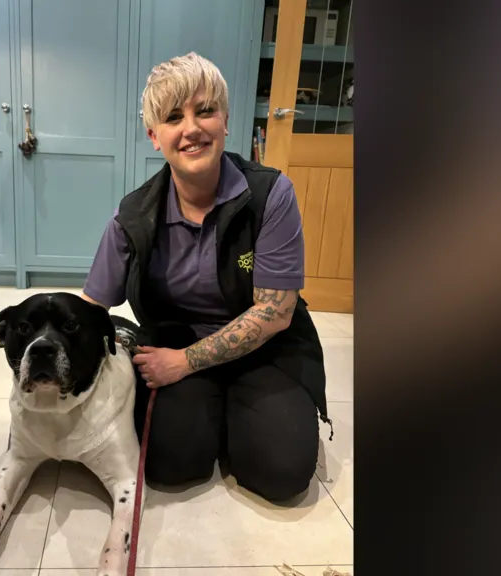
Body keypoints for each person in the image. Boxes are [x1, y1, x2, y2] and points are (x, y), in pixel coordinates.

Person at [81, 52, 332, 503]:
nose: (192, 128)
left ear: (225, 121)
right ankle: (216, 414)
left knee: (281, 475)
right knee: (168, 465)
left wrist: (185, 363)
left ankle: (241, 414)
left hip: (266, 350)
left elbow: (275, 314)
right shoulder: (133, 216)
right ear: (154, 136)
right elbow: (89, 308)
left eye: (205, 110)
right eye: (173, 117)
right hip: (175, 342)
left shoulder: (270, 194)